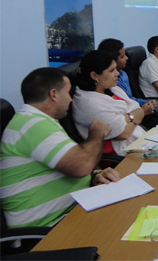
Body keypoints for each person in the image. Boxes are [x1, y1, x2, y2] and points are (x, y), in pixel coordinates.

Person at [0, 68, 120, 229]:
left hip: (72, 212)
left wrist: (95, 175)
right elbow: (82, 165)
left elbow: (71, 161)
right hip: (44, 231)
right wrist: (96, 135)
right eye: (68, 92)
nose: (70, 99)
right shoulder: (32, 125)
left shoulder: (42, 121)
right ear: (54, 94)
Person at [73, 50, 152, 156]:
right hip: (119, 156)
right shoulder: (88, 102)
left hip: (138, 143)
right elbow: (124, 133)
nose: (117, 73)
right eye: (111, 70)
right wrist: (136, 115)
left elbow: (135, 106)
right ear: (94, 75)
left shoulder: (113, 89)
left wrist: (126, 118)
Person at [97, 38, 158, 129]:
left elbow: (130, 99)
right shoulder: (111, 84)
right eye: (122, 57)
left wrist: (145, 103)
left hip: (136, 109)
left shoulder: (123, 74)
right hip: (131, 116)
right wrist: (142, 110)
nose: (127, 58)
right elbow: (125, 108)